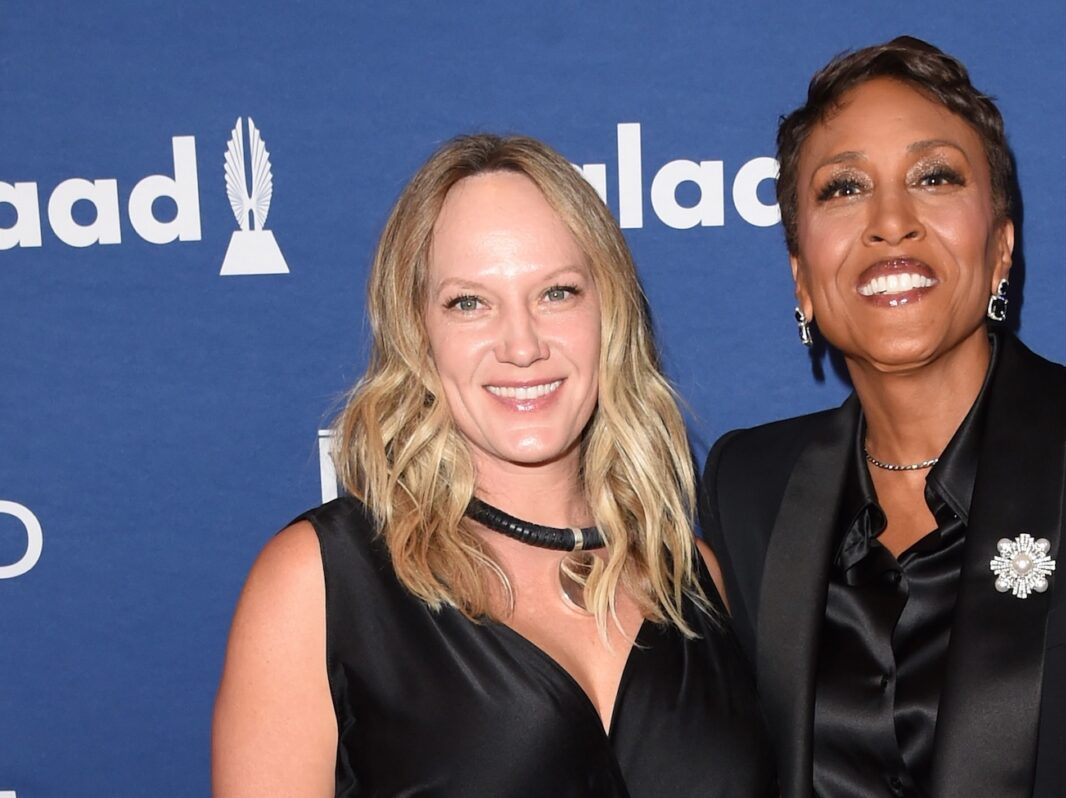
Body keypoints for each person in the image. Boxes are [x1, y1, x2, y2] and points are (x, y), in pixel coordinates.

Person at [700, 36, 1066, 798]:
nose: (890, 222)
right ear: (801, 278)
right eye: (843, 189)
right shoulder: (750, 486)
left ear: (1003, 246)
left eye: (934, 177)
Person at [212, 134, 775, 797]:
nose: (521, 344)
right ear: (419, 333)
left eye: (558, 293)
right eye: (469, 303)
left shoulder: (699, 578)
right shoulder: (322, 585)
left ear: (611, 314)